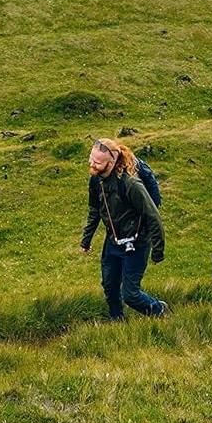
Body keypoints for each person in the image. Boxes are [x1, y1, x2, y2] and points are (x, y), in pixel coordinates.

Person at [80, 137, 168, 319]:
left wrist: (158, 250)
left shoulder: (130, 184)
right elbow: (94, 210)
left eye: (97, 162)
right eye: (91, 159)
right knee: (110, 286)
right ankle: (117, 321)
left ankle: (159, 310)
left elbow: (153, 216)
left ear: (111, 161)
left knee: (131, 295)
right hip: (113, 241)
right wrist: (86, 240)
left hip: (137, 243)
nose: (92, 165)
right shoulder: (96, 180)